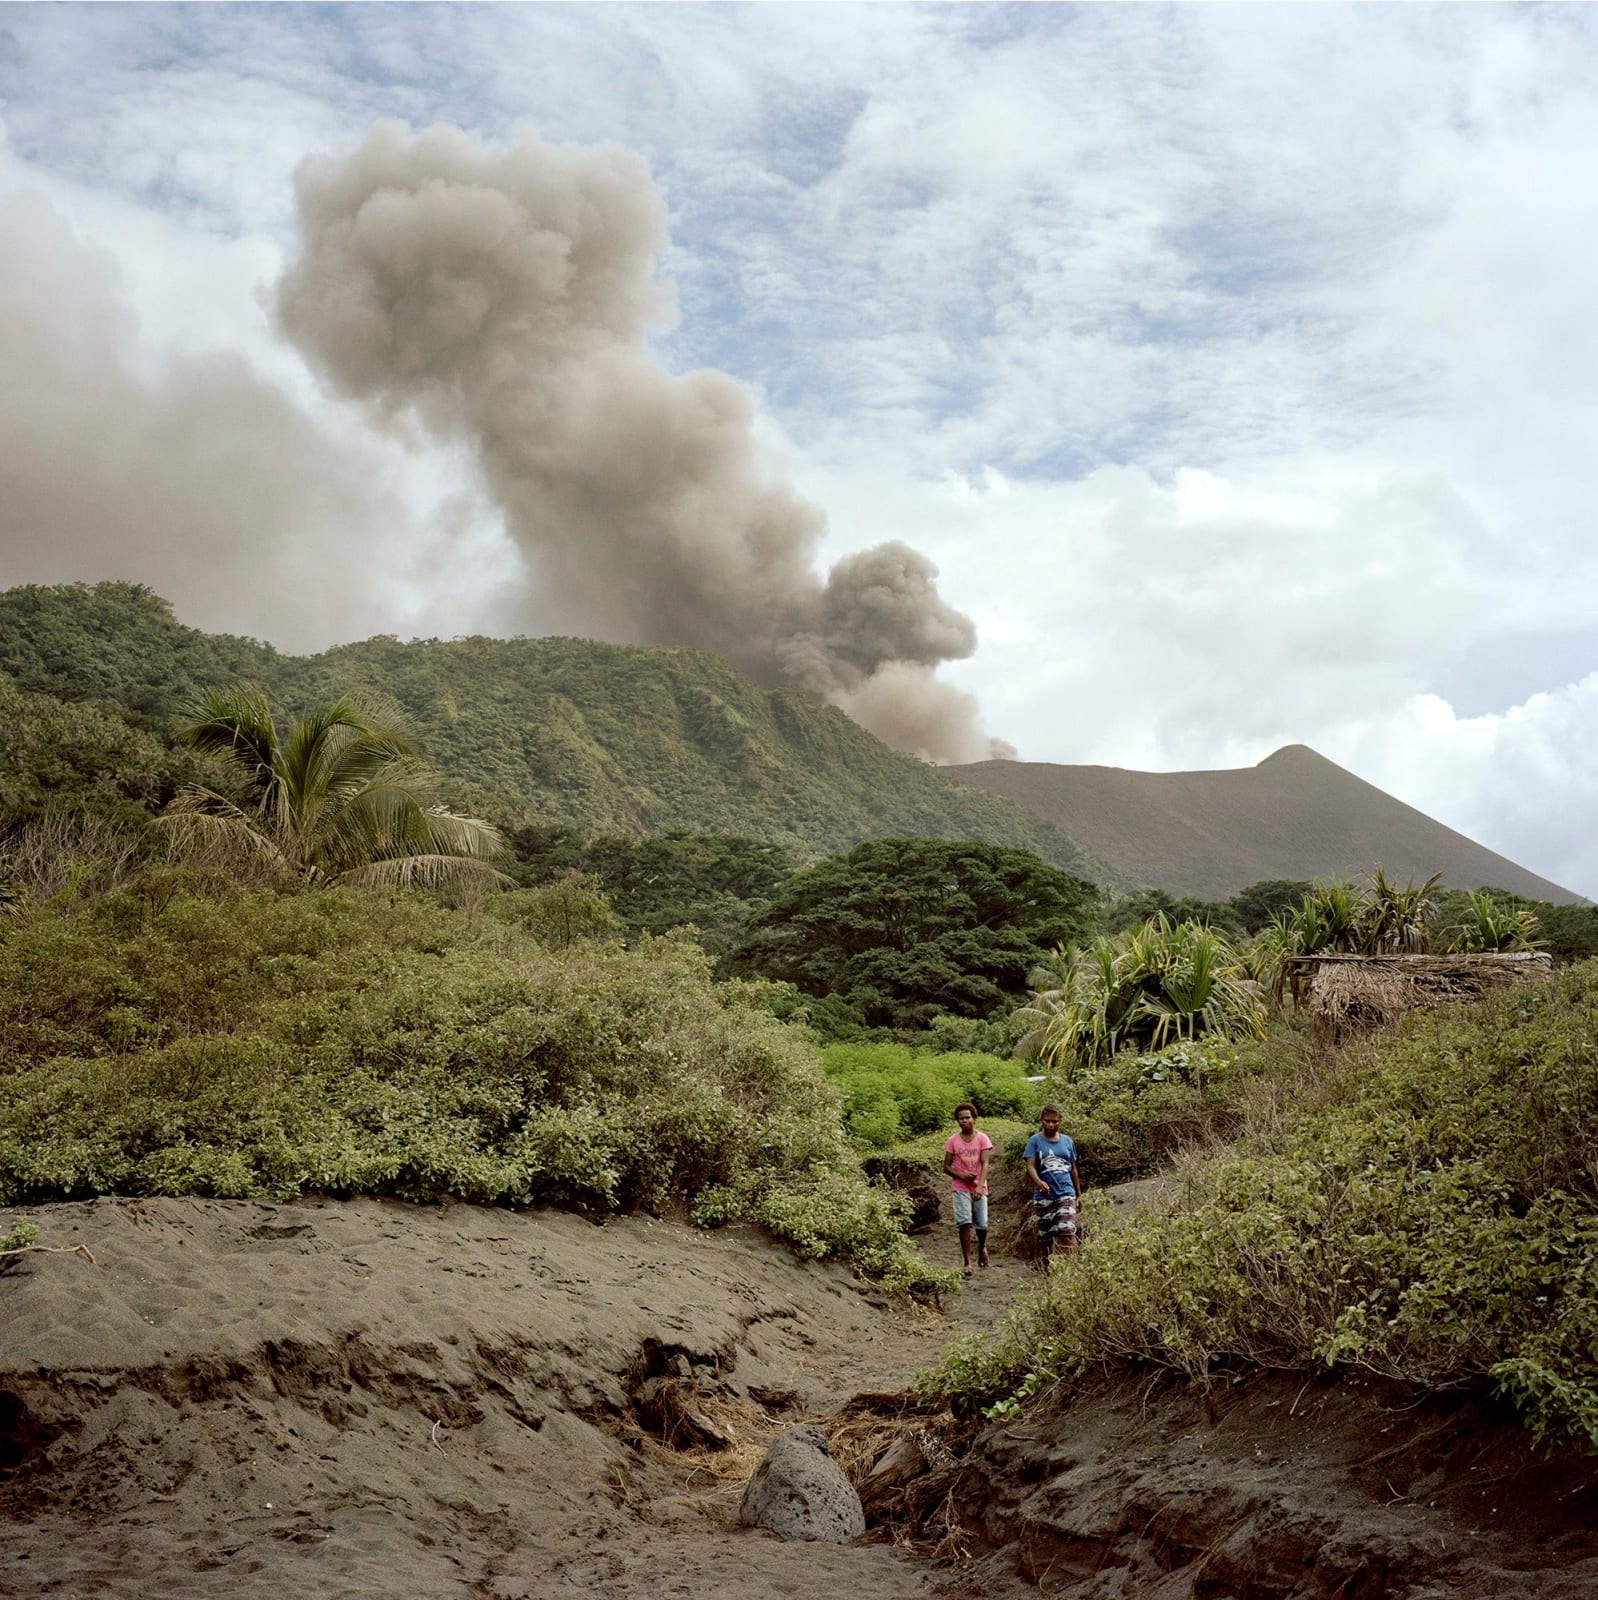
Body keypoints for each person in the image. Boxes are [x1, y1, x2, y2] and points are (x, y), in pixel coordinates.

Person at [1024, 1103, 1081, 1262]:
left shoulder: (1067, 1141)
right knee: (1045, 1237)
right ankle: (1044, 1271)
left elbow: (1073, 1168)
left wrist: (1078, 1194)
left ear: (1060, 1121)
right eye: (1047, 1121)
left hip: (1066, 1192)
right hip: (1044, 1196)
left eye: (1054, 1121)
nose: (1050, 1124)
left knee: (1067, 1230)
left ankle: (1073, 1270)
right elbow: (1030, 1165)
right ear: (1041, 1120)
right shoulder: (1034, 1141)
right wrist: (1038, 1181)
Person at [943, 1102, 993, 1275]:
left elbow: (985, 1163)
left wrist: (980, 1185)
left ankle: (982, 1248)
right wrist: (961, 1175)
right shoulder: (953, 1141)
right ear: (957, 1121)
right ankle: (967, 1261)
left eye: (967, 1117)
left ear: (974, 1119)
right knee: (964, 1222)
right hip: (960, 1186)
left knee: (982, 1224)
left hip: (979, 1186)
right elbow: (946, 1166)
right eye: (961, 1118)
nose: (964, 1121)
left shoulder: (982, 1139)